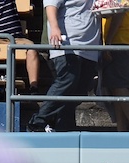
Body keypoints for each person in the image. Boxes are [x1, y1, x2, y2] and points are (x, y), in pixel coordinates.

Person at [26, 0, 101, 132]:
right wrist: (55, 28)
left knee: (80, 90)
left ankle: (62, 127)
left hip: (90, 46)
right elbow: (51, 5)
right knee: (68, 80)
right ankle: (38, 121)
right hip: (66, 42)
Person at [102, 0, 129, 132]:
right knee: (116, 87)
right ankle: (122, 129)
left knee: (118, 85)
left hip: (121, 38)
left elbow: (120, 13)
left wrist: (108, 40)